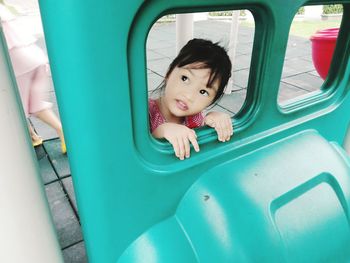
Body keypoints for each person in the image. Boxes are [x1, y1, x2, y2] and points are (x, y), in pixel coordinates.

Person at [149, 38, 233, 160]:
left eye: (203, 92)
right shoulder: (145, 112)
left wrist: (214, 120)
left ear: (212, 100)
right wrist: (160, 132)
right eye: (185, 78)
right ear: (169, 73)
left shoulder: (196, 118)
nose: (189, 96)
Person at [0, 1, 66, 153]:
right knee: (32, 104)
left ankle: (46, 134)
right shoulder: (4, 8)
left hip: (18, 63)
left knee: (15, 106)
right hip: (36, 58)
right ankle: (38, 136)